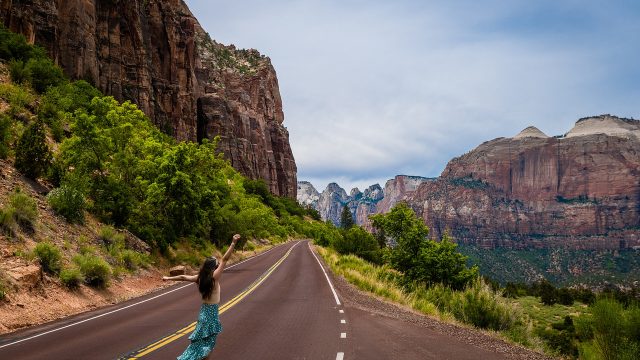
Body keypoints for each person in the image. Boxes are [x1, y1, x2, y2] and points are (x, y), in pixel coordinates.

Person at [163, 234, 241, 360]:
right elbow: (225, 260)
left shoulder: (199, 278)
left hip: (203, 313)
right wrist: (233, 243)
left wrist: (168, 278)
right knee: (208, 345)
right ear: (213, 267)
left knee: (199, 344)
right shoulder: (214, 278)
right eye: (216, 265)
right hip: (211, 314)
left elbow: (183, 277)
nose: (217, 265)